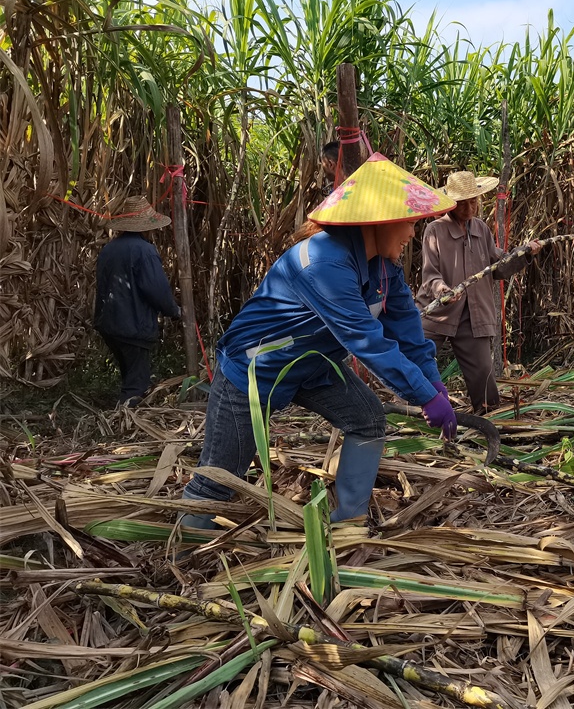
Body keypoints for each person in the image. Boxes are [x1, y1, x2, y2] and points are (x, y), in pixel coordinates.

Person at [180, 154, 458, 528]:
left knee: (367, 419)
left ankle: (347, 525)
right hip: (253, 371)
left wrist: (433, 382)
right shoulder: (324, 264)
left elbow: (407, 330)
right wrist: (423, 396)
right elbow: (367, 341)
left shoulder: (384, 269)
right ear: (380, 221)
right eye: (409, 223)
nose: (412, 234)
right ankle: (185, 559)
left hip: (313, 365)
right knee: (220, 479)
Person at [415, 171, 541, 414]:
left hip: (473, 314)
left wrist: (524, 253)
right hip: (436, 312)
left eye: (474, 201)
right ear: (451, 202)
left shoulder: (481, 229)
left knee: (483, 373)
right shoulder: (435, 231)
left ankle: (488, 418)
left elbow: (498, 266)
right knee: (417, 361)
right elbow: (430, 274)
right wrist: (442, 290)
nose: (470, 207)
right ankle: (415, 414)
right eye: (463, 202)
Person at [94, 196, 181, 406]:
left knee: (129, 374)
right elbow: (156, 290)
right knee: (136, 384)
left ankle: (120, 416)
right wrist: (174, 311)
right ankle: (126, 426)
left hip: (109, 325)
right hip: (133, 327)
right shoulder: (145, 251)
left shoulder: (109, 249)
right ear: (146, 227)